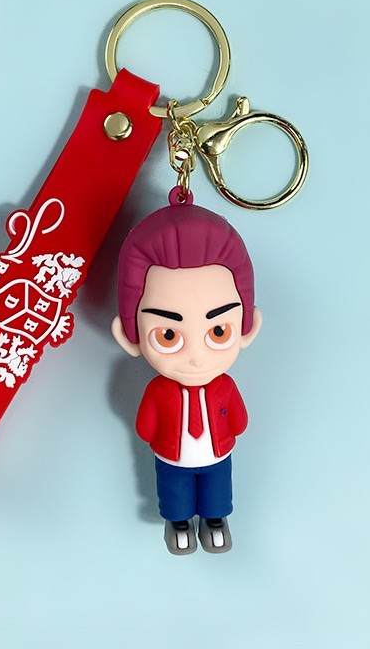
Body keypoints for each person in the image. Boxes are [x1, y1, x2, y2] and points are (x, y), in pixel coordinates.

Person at [111, 189, 262, 554]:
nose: (196, 358)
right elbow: (146, 427)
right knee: (174, 491)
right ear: (130, 337)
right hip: (172, 458)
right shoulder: (159, 391)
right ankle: (177, 523)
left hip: (215, 455)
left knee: (217, 490)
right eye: (168, 335)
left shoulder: (224, 387)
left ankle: (215, 520)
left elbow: (239, 421)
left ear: (248, 328)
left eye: (218, 331)